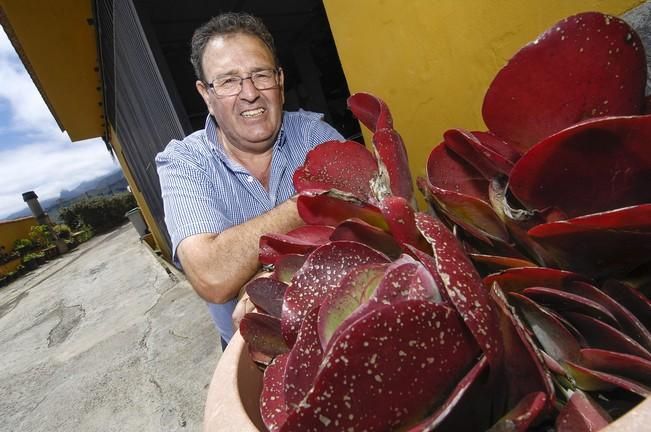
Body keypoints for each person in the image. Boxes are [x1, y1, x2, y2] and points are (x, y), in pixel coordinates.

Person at [155, 12, 343, 347]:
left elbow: (370, 219)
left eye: (260, 74)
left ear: (280, 81)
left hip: (336, 329)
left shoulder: (316, 136)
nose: (250, 93)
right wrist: (309, 203)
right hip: (251, 353)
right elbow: (212, 276)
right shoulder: (184, 162)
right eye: (228, 81)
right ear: (206, 95)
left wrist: (249, 270)